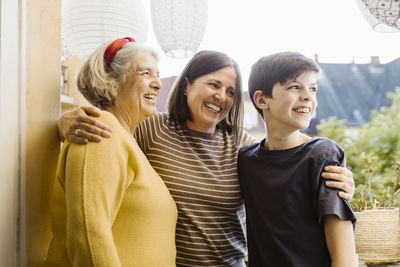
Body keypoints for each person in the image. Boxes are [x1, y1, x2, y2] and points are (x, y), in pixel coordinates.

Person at [57, 50, 356, 267]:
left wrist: (335, 177)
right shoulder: (153, 129)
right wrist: (61, 125)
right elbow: (112, 139)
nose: (221, 97)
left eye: (228, 90)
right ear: (187, 85)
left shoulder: (240, 145)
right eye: (213, 85)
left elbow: (287, 159)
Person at [45, 37, 177, 267]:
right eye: (146, 73)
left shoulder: (126, 139)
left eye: (157, 74)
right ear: (111, 81)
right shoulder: (100, 130)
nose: (158, 83)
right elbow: (89, 234)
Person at [238, 51, 357, 267]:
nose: (307, 96)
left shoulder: (323, 154)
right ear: (261, 99)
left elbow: (344, 256)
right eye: (294, 87)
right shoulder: (245, 160)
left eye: (312, 89)